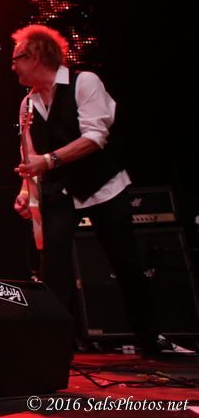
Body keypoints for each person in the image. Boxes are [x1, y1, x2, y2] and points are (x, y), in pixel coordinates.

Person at [10, 24, 192, 357]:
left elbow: (95, 138)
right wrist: (26, 191)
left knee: (125, 262)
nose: (13, 66)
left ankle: (150, 339)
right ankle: (54, 348)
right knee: (53, 266)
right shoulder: (27, 104)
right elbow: (29, 155)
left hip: (104, 186)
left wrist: (48, 161)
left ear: (35, 56)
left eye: (17, 58)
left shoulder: (84, 82)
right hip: (62, 191)